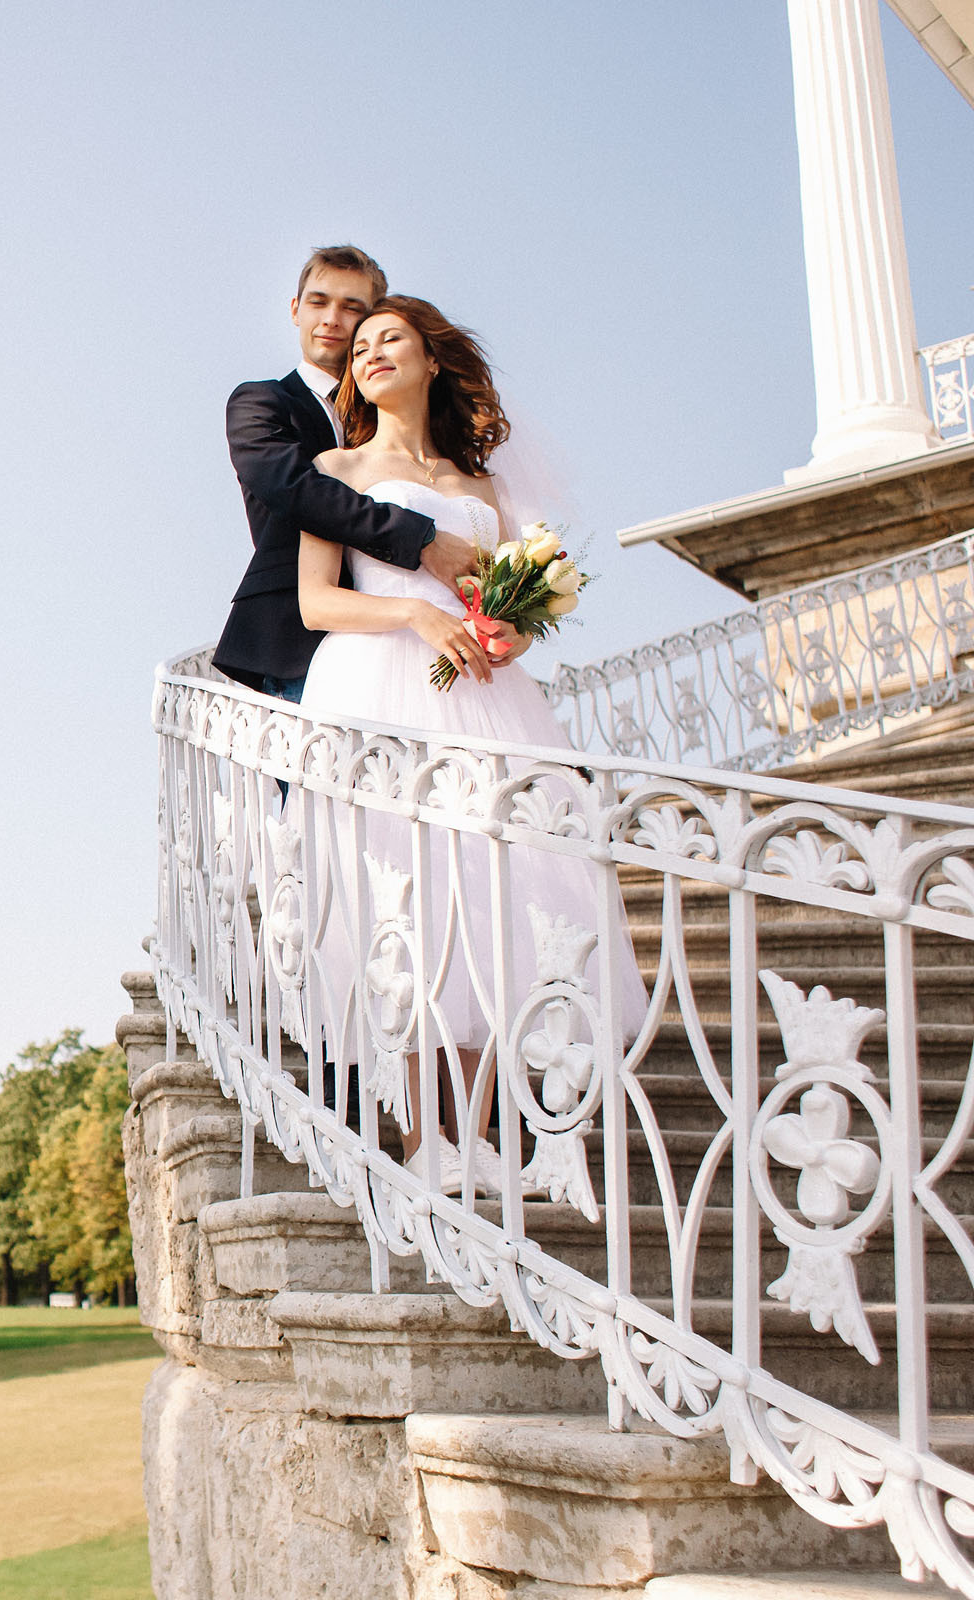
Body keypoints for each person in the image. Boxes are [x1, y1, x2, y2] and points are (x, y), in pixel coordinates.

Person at [297, 294, 645, 1188]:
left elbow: (514, 595)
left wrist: (513, 631)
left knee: (501, 883)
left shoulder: (481, 486)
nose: (370, 354)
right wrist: (415, 612)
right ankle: (422, 1140)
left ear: (432, 361)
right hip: (381, 684)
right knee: (406, 891)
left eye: (391, 340)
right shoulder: (333, 464)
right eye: (360, 347)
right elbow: (316, 602)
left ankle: (482, 1135)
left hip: (489, 699)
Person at [212, 246, 482, 700]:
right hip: (296, 638)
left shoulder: (405, 420)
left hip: (420, 649)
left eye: (352, 307)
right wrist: (424, 539)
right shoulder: (261, 403)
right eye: (318, 302)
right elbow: (296, 489)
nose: (333, 319)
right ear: (296, 310)